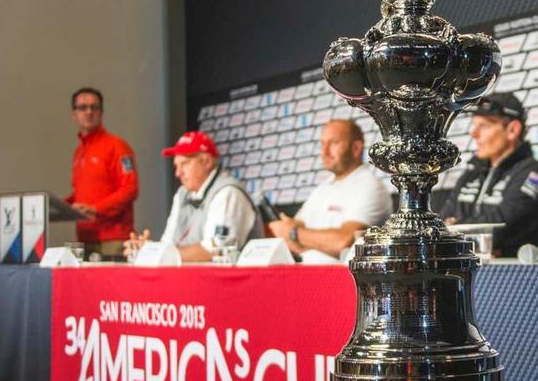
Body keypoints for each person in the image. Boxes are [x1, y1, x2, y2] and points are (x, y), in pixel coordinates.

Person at [439, 93, 538, 257]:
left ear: (512, 130)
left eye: (484, 126)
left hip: (516, 276)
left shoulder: (536, 174)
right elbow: (440, 227)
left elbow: (501, 231)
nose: (474, 134)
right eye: (474, 125)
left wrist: (454, 225)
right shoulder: (471, 174)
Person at [125, 131, 262, 262]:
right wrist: (147, 249)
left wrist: (158, 253)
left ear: (207, 162)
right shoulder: (182, 194)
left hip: (226, 284)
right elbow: (168, 242)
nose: (178, 173)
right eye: (176, 166)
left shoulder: (228, 193)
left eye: (184, 164)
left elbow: (215, 250)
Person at [268, 119, 391, 261]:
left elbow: (343, 242)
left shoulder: (370, 186)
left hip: (344, 280)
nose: (324, 152)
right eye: (322, 144)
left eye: (333, 143)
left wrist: (294, 234)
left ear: (356, 148)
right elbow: (294, 229)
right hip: (308, 273)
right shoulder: (323, 188)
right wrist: (295, 233)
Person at [65, 87, 138, 259]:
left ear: (101, 112)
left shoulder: (117, 146)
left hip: (113, 239)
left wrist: (96, 209)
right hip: (84, 237)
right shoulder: (79, 152)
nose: (89, 112)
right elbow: (82, 194)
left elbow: (130, 188)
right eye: (83, 108)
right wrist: (59, 206)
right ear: (74, 114)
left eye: (94, 107)